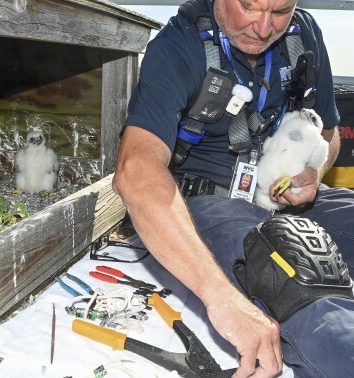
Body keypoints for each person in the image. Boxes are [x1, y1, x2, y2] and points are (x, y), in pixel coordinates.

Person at [113, 0, 354, 377]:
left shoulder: (304, 34)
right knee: (302, 285)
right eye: (249, 6)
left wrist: (314, 172)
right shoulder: (178, 45)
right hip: (209, 203)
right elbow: (135, 170)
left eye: (279, 12)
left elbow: (328, 134)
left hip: (281, 196)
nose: (262, 27)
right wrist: (222, 298)